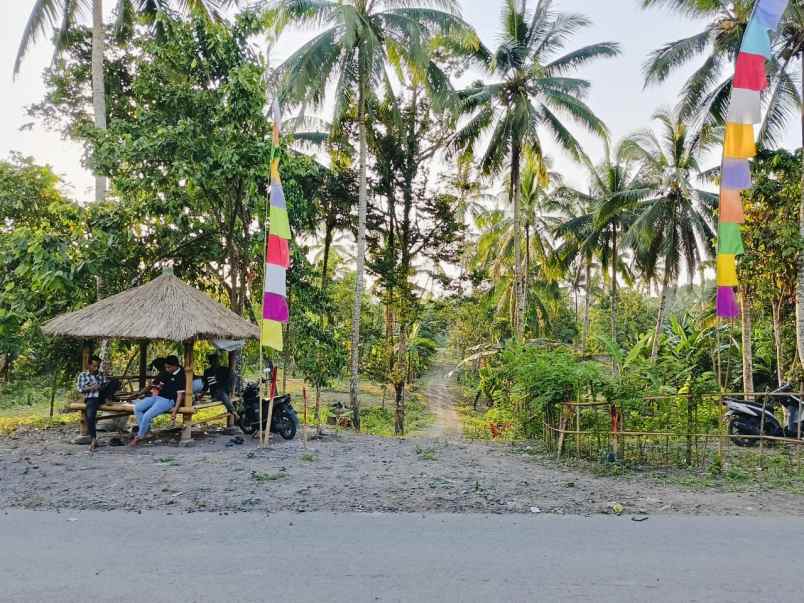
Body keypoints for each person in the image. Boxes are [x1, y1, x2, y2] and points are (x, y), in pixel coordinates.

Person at [130, 355, 185, 446]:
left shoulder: (182, 375)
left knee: (147, 416)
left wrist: (174, 411)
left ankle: (139, 437)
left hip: (168, 400)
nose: (166, 369)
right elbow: (160, 386)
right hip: (158, 397)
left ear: (175, 366)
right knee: (137, 408)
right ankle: (145, 430)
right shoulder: (167, 372)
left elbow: (180, 395)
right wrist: (154, 387)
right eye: (166, 367)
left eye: (168, 367)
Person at [75, 355, 120, 451]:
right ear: (89, 365)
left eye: (98, 366)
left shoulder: (100, 374)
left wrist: (101, 386)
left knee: (115, 380)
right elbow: (80, 389)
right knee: (90, 417)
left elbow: (106, 385)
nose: (96, 368)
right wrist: (91, 388)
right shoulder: (83, 375)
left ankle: (108, 398)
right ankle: (93, 439)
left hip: (102, 395)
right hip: (92, 397)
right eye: (94, 366)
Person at [203, 353, 237, 420]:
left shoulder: (225, 370)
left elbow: (232, 379)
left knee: (222, 392)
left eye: (216, 360)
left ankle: (233, 411)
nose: (215, 362)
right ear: (210, 362)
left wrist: (230, 391)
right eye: (213, 360)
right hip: (215, 394)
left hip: (225, 392)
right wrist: (201, 395)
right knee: (220, 392)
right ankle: (234, 411)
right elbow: (206, 385)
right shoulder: (207, 372)